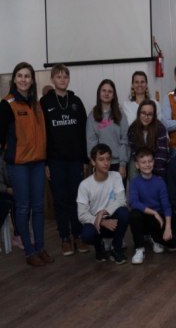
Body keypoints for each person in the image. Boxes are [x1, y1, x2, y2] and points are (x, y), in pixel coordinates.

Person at [0, 62, 52, 266]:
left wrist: (45, 161)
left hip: (38, 163)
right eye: (20, 76)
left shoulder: (37, 104)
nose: (23, 79)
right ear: (14, 79)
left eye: (27, 76)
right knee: (23, 208)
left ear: (32, 80)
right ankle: (29, 251)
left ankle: (40, 247)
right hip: (19, 165)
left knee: (38, 207)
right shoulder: (7, 104)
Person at [40, 63, 89, 256]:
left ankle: (78, 236)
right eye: (58, 76)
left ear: (68, 79)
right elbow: (42, 135)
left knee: (76, 199)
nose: (62, 79)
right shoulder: (44, 103)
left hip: (75, 160)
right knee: (60, 200)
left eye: (65, 76)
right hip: (55, 161)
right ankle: (65, 238)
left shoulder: (76, 101)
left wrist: (85, 160)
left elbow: (83, 131)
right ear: (52, 79)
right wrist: (45, 162)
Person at [77, 144, 129, 264]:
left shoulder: (115, 176)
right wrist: (101, 220)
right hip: (96, 223)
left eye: (108, 159)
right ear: (93, 162)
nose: (106, 163)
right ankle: (99, 247)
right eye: (101, 159)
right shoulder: (85, 185)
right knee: (87, 235)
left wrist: (103, 212)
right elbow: (82, 215)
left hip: (112, 221)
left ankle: (117, 249)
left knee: (124, 212)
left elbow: (122, 201)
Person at [129, 148, 174, 264]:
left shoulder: (160, 182)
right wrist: (153, 212)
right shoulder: (134, 182)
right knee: (134, 214)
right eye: (143, 162)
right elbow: (133, 202)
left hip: (157, 220)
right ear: (137, 165)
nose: (147, 165)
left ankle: (154, 238)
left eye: (150, 161)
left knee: (173, 243)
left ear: (154, 162)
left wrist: (168, 227)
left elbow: (166, 205)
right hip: (144, 216)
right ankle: (139, 249)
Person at [86, 79, 129, 178]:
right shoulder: (92, 116)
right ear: (99, 93)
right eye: (104, 90)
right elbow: (91, 142)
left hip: (117, 164)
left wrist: (122, 164)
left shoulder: (120, 114)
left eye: (110, 91)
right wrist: (96, 163)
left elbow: (125, 140)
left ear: (113, 95)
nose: (106, 93)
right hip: (100, 164)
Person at [127, 99, 169, 179]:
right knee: (133, 165)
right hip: (140, 164)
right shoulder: (132, 129)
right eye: (143, 113)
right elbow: (135, 153)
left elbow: (162, 154)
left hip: (156, 165)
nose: (146, 117)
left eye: (150, 114)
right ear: (139, 113)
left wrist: (150, 170)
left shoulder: (160, 128)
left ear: (154, 116)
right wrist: (143, 168)